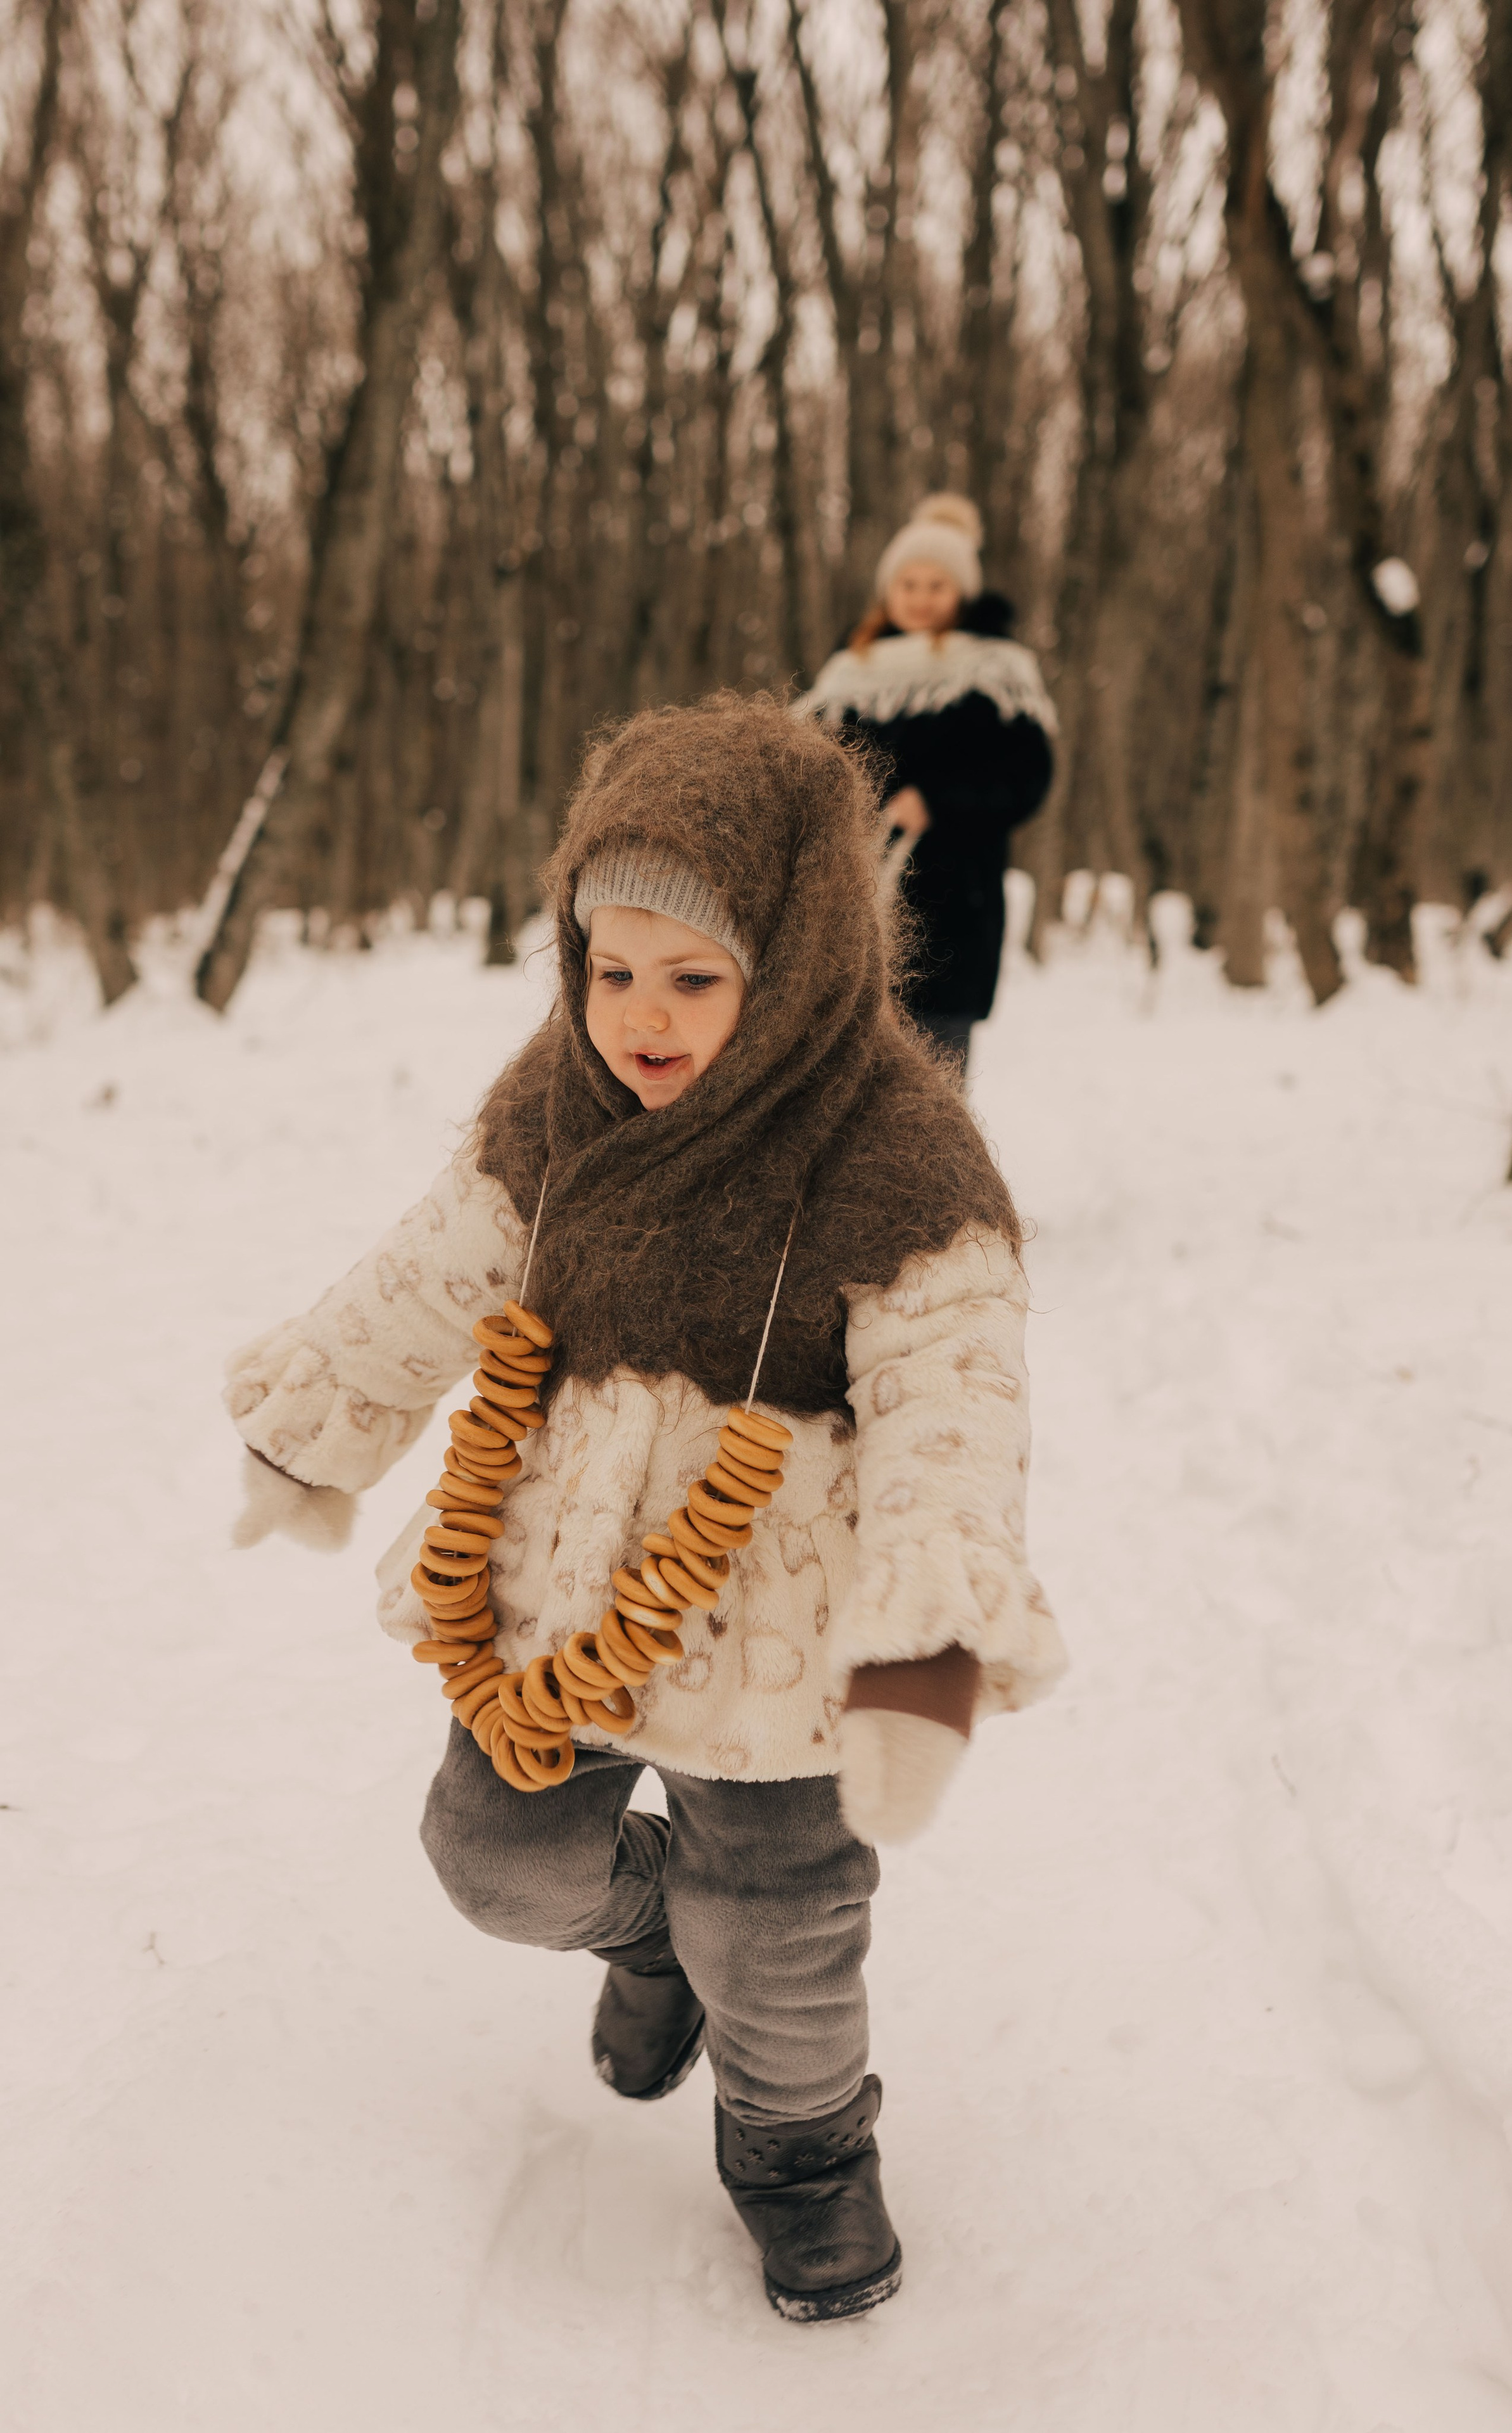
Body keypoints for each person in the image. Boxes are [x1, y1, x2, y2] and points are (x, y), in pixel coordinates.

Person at [225, 694, 1064, 2325]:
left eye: (691, 976)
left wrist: (925, 1642)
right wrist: (315, 1427)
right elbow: (431, 1270)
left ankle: (800, 2148)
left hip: (774, 1611)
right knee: (492, 1856)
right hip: (563, 1578)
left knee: (780, 1925)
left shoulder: (899, 1152)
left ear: (795, 960)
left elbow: (953, 1406)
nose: (639, 1017)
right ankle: (648, 1935)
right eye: (608, 971)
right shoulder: (554, 1104)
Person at [798, 494, 1057, 1080]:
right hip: (852, 903)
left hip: (953, 909)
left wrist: (940, 801)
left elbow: (1027, 778)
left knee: (933, 1082)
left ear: (962, 591)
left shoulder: (995, 672)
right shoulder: (850, 672)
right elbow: (813, 765)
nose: (920, 597)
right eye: (908, 583)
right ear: (887, 590)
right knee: (842, 1079)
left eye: (936, 585)